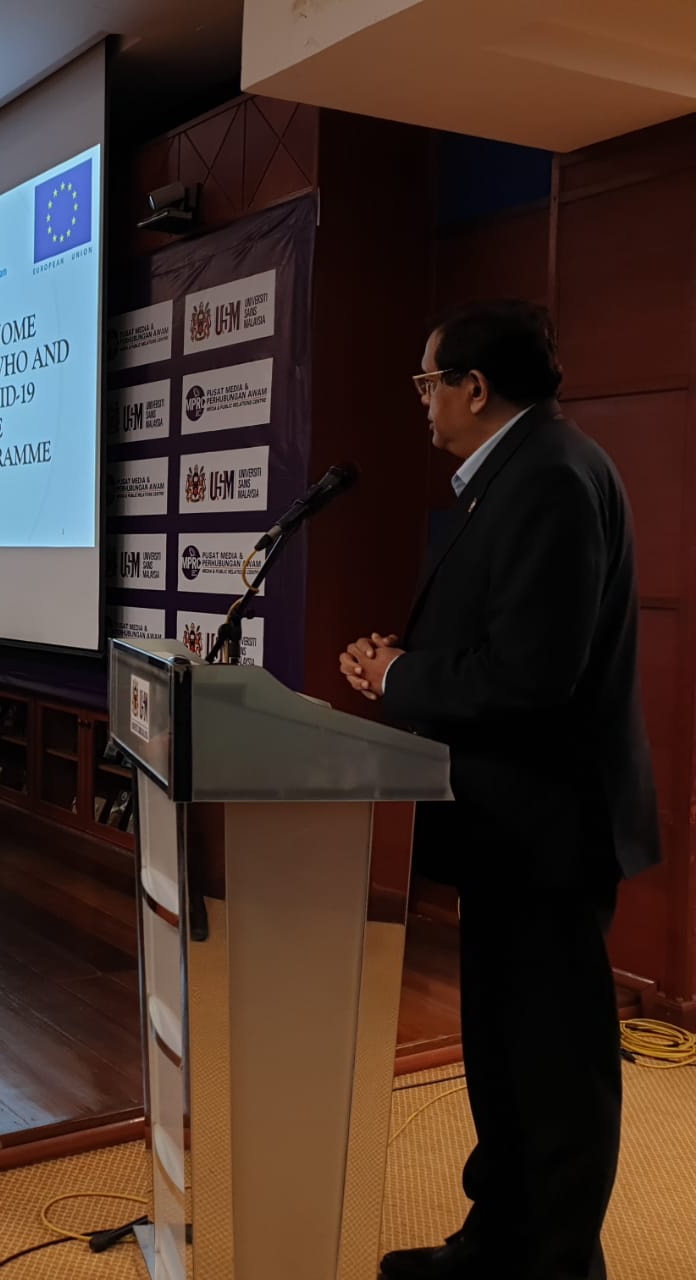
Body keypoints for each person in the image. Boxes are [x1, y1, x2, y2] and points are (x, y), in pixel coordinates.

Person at [338, 301, 660, 1280]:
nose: (420, 401)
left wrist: (399, 675)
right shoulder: (521, 472)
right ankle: (497, 1242)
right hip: (509, 826)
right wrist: (405, 665)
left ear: (473, 388)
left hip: (547, 829)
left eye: (426, 382)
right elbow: (503, 636)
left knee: (552, 1064)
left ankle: (554, 1262)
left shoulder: (550, 477)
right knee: (505, 1050)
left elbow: (530, 675)